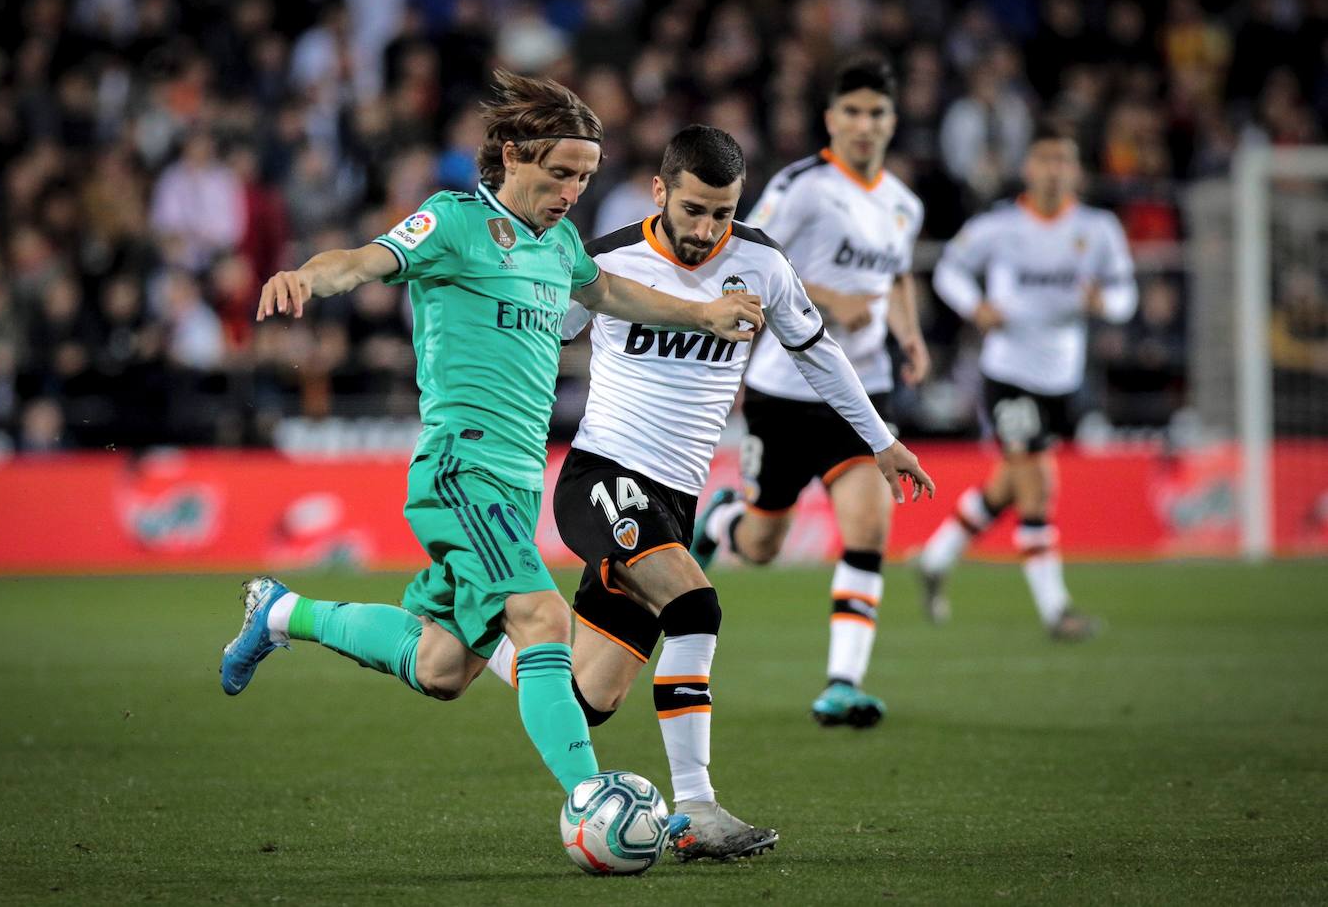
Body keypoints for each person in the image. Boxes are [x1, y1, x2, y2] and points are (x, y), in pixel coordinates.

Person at [217, 71, 763, 809]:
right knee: (541, 619)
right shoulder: (452, 222)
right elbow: (360, 260)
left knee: (442, 667)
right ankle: (592, 800)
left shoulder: (560, 244)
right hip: (460, 467)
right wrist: (309, 278)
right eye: (561, 172)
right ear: (512, 155)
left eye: (586, 176)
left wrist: (702, 315)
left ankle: (282, 613)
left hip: (514, 481)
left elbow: (610, 293)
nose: (573, 190)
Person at [483, 125, 934, 859]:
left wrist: (881, 441)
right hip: (602, 475)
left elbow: (818, 354)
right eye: (692, 209)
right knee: (696, 606)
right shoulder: (606, 261)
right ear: (659, 191)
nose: (706, 229)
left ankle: (474, 630)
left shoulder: (760, 263)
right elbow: (534, 337)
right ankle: (695, 810)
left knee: (588, 699)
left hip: (674, 499)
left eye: (722, 213)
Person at [688, 57, 931, 729]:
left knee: (869, 528)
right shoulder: (801, 187)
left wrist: (908, 336)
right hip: (783, 390)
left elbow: (899, 279)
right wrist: (827, 299)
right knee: (762, 546)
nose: (863, 124)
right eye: (851, 111)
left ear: (891, 120)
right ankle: (723, 521)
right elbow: (747, 256)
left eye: (876, 113)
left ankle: (842, 683)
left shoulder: (903, 204)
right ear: (831, 118)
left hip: (862, 393)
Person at [917, 123, 1136, 639]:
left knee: (1011, 484)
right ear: (1028, 167)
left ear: (1076, 170)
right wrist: (977, 307)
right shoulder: (998, 226)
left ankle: (935, 556)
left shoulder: (1098, 228)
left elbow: (1126, 294)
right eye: (1045, 159)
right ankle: (1056, 611)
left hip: (1063, 377)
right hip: (1008, 372)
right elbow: (948, 269)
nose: (1055, 169)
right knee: (1038, 483)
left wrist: (1106, 305)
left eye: (1064, 160)